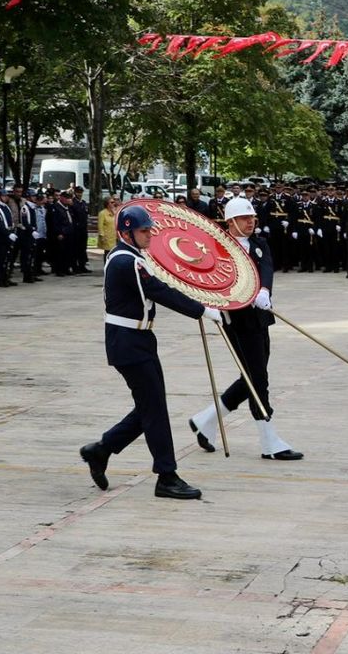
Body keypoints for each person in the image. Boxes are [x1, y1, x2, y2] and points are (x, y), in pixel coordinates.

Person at [79, 204, 225, 500]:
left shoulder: (134, 256)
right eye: (144, 231)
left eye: (149, 230)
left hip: (139, 339)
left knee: (151, 406)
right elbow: (159, 291)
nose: (150, 235)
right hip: (128, 342)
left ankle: (102, 449)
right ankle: (166, 476)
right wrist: (200, 310)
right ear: (126, 233)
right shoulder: (126, 261)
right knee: (155, 409)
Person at [189, 197, 302, 461]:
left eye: (252, 218)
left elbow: (266, 268)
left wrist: (264, 290)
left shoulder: (259, 243)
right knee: (258, 379)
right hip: (237, 322)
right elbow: (209, 279)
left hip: (260, 318)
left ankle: (205, 420)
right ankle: (269, 441)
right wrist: (213, 302)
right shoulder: (218, 248)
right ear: (230, 222)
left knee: (251, 377)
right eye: (244, 218)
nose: (250, 222)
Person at [0, 187, 19, 288]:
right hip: (1, 236)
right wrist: (8, 233)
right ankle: (0, 279)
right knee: (1, 258)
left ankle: (6, 277)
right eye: (4, 196)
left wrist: (12, 231)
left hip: (8, 234)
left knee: (7, 258)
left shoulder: (5, 207)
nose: (6, 197)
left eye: (6, 196)